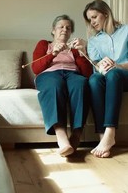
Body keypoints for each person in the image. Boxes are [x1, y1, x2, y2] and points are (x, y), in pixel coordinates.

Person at [83, 0, 128, 158]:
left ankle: (110, 132)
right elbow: (95, 67)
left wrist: (117, 66)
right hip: (107, 77)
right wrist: (100, 66)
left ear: (106, 14)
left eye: (95, 17)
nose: (92, 22)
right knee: (94, 80)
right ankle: (102, 137)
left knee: (114, 74)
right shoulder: (94, 41)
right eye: (90, 19)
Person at [31, 14, 93, 157]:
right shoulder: (44, 44)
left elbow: (87, 73)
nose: (65, 29)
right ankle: (62, 137)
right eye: (61, 27)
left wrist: (82, 53)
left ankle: (76, 135)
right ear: (53, 30)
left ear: (71, 32)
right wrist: (53, 53)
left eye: (68, 28)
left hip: (72, 74)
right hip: (49, 74)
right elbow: (35, 68)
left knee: (81, 84)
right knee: (54, 85)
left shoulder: (75, 48)